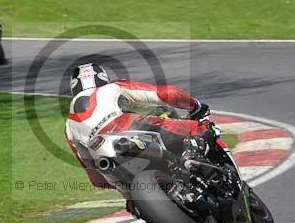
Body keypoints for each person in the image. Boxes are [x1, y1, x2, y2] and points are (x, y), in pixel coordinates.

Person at [65, 62, 214, 203]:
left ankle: (138, 204)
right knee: (199, 127)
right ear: (103, 79)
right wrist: (196, 106)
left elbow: (95, 179)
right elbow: (168, 94)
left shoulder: (68, 126)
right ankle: (191, 156)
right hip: (129, 129)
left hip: (108, 162)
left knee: (132, 204)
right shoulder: (113, 87)